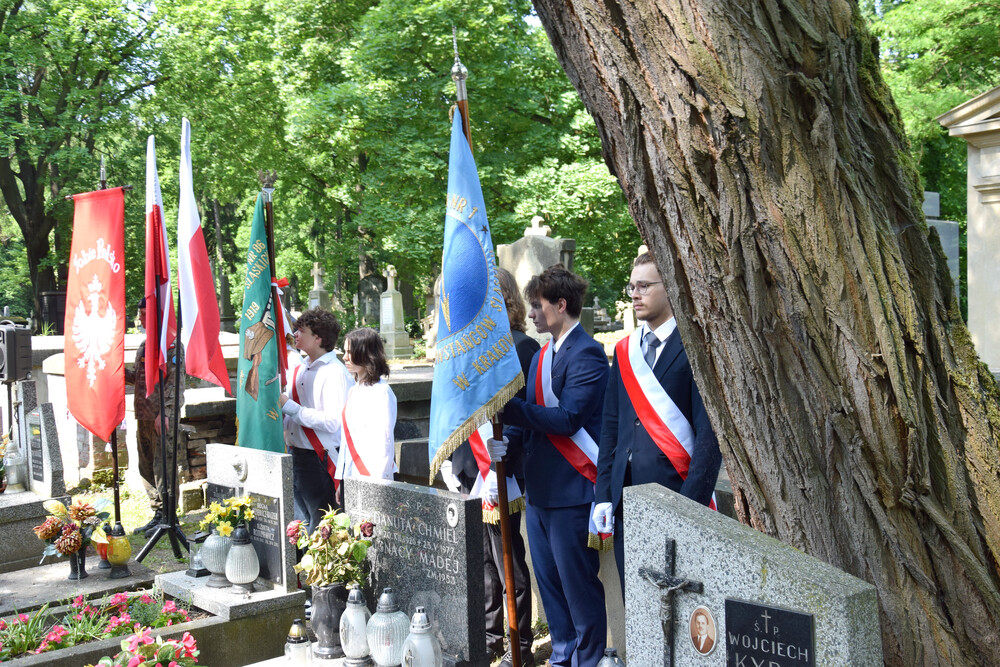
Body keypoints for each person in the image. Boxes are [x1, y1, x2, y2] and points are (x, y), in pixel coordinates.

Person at [499, 264, 609, 667]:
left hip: (572, 491)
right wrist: (506, 447)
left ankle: (587, 660)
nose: (530, 314)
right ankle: (562, 658)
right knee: (551, 589)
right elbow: (530, 420)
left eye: (537, 306)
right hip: (540, 491)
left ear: (561, 305)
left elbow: (568, 419)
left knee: (578, 590)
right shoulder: (543, 355)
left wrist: (510, 409)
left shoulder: (587, 354)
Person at [593, 252, 721, 593]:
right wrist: (603, 494)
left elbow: (709, 438)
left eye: (644, 286)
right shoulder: (626, 351)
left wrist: (689, 507)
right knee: (635, 600)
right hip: (626, 498)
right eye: (632, 287)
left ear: (670, 287)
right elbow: (611, 428)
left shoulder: (694, 346)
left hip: (675, 493)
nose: (635, 295)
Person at [446, 268, 538, 665]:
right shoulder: (469, 350)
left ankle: (521, 646)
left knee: (507, 562)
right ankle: (490, 639)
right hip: (472, 469)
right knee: (483, 563)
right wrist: (453, 458)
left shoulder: (522, 347)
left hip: (503, 472)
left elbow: (524, 414)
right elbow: (459, 410)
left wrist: (502, 462)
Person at [279, 308, 353, 532]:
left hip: (320, 458)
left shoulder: (334, 372)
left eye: (302, 331)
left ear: (318, 338)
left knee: (321, 526)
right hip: (297, 453)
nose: (295, 334)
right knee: (300, 525)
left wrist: (289, 407)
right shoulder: (300, 367)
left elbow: (332, 422)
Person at [126, 298, 185, 538]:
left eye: (144, 313)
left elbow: (175, 383)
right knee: (147, 465)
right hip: (144, 415)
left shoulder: (171, 346)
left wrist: (165, 412)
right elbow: (140, 378)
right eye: (140, 313)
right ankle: (158, 513)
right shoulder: (144, 345)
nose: (140, 318)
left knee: (164, 466)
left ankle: (170, 516)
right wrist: (118, 372)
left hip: (162, 416)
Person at [335, 327, 397, 482]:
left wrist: (379, 483)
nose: (345, 357)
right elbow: (346, 442)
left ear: (365, 353)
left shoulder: (381, 392)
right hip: (351, 474)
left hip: (372, 477)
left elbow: (384, 442)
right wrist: (341, 478)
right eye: (345, 351)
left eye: (350, 352)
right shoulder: (353, 390)